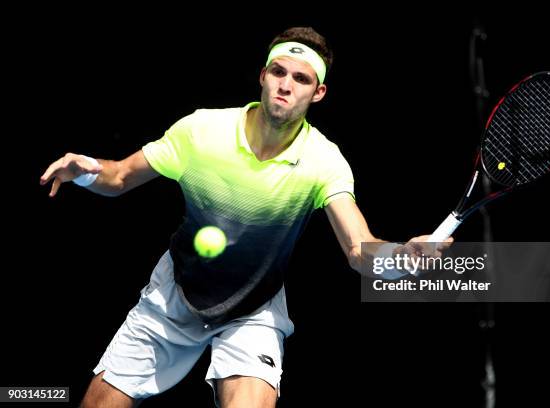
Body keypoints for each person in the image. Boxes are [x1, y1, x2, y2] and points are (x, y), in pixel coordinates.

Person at [40, 27, 451, 408]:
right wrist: (86, 171)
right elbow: (120, 176)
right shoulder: (202, 131)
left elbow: (359, 250)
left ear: (319, 92)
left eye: (301, 79)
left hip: (254, 308)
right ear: (262, 75)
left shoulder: (324, 161)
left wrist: (401, 257)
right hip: (175, 293)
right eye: (278, 72)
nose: (286, 85)